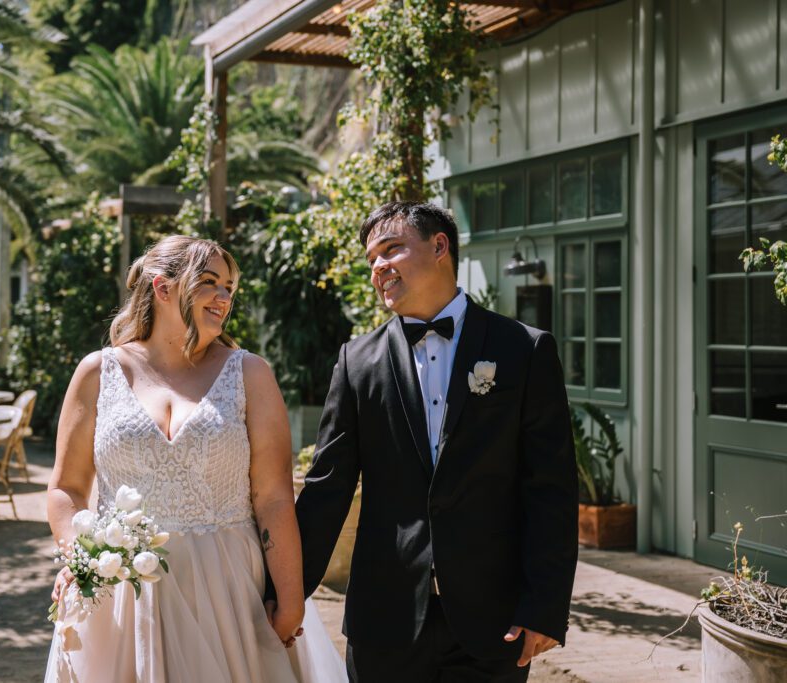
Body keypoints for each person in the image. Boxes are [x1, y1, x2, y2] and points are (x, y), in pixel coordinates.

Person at [280, 201, 579, 681]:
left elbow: (551, 488)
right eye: (371, 258)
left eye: (391, 249)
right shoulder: (357, 362)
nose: (378, 267)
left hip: (493, 621)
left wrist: (544, 605)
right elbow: (327, 489)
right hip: (386, 619)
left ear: (440, 246)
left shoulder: (524, 349)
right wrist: (285, 595)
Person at [44, 235, 346, 683]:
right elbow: (66, 489)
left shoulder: (250, 374)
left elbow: (274, 499)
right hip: (123, 597)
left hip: (228, 590)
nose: (224, 298)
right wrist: (82, 558)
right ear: (162, 287)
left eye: (229, 287)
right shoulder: (97, 372)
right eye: (209, 283)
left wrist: (291, 598)